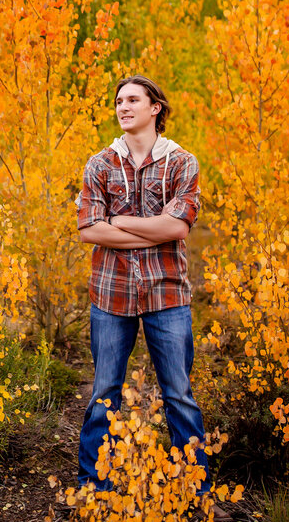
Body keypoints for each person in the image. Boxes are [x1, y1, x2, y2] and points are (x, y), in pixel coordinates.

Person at [74, 75, 210, 496]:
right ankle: (95, 488)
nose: (123, 106)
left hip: (167, 292)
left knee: (179, 395)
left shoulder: (182, 163)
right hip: (111, 295)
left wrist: (119, 222)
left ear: (156, 108)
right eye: (119, 101)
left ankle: (193, 489)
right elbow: (88, 231)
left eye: (133, 99)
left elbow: (179, 227)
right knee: (104, 392)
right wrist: (155, 231)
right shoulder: (100, 164)